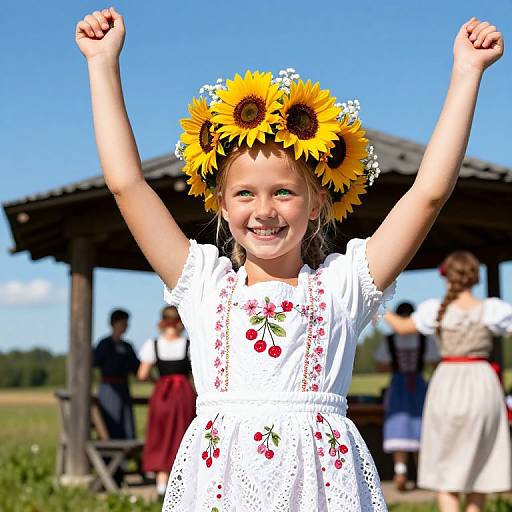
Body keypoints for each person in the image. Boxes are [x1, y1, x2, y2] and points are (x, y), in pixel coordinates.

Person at [76, 8, 504, 509]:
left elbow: (428, 193)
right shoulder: (203, 285)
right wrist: (102, 64)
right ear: (219, 202)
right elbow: (126, 185)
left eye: (283, 192)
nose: (264, 211)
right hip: (221, 489)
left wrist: (466, 73)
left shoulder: (345, 286)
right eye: (244, 195)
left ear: (318, 201)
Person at [384, 251, 512, 512]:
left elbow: (401, 327)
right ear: (475, 277)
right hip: (482, 383)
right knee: (481, 463)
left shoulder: (435, 310)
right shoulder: (493, 309)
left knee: (445, 461)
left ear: (446, 278)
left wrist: (379, 305)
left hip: (447, 383)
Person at [374, 302, 439, 491]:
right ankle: (420, 474)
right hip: (417, 384)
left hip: (399, 384)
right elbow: (435, 362)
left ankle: (400, 471)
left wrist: (397, 364)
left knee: (399, 425)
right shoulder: (425, 340)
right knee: (419, 426)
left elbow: (380, 366)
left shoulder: (390, 340)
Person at [138, 306, 196, 497]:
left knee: (160, 435)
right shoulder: (188, 344)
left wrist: (157, 381)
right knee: (182, 435)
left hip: (162, 394)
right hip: (183, 395)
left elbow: (142, 374)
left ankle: (161, 483)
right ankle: (182, 483)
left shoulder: (153, 344)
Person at [93, 308, 140, 440]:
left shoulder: (127, 346)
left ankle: (124, 457)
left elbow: (136, 368)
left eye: (127, 323)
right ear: (114, 323)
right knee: (109, 423)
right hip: (108, 389)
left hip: (123, 389)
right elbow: (94, 361)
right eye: (123, 322)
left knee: (126, 425)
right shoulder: (104, 344)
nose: (126, 326)